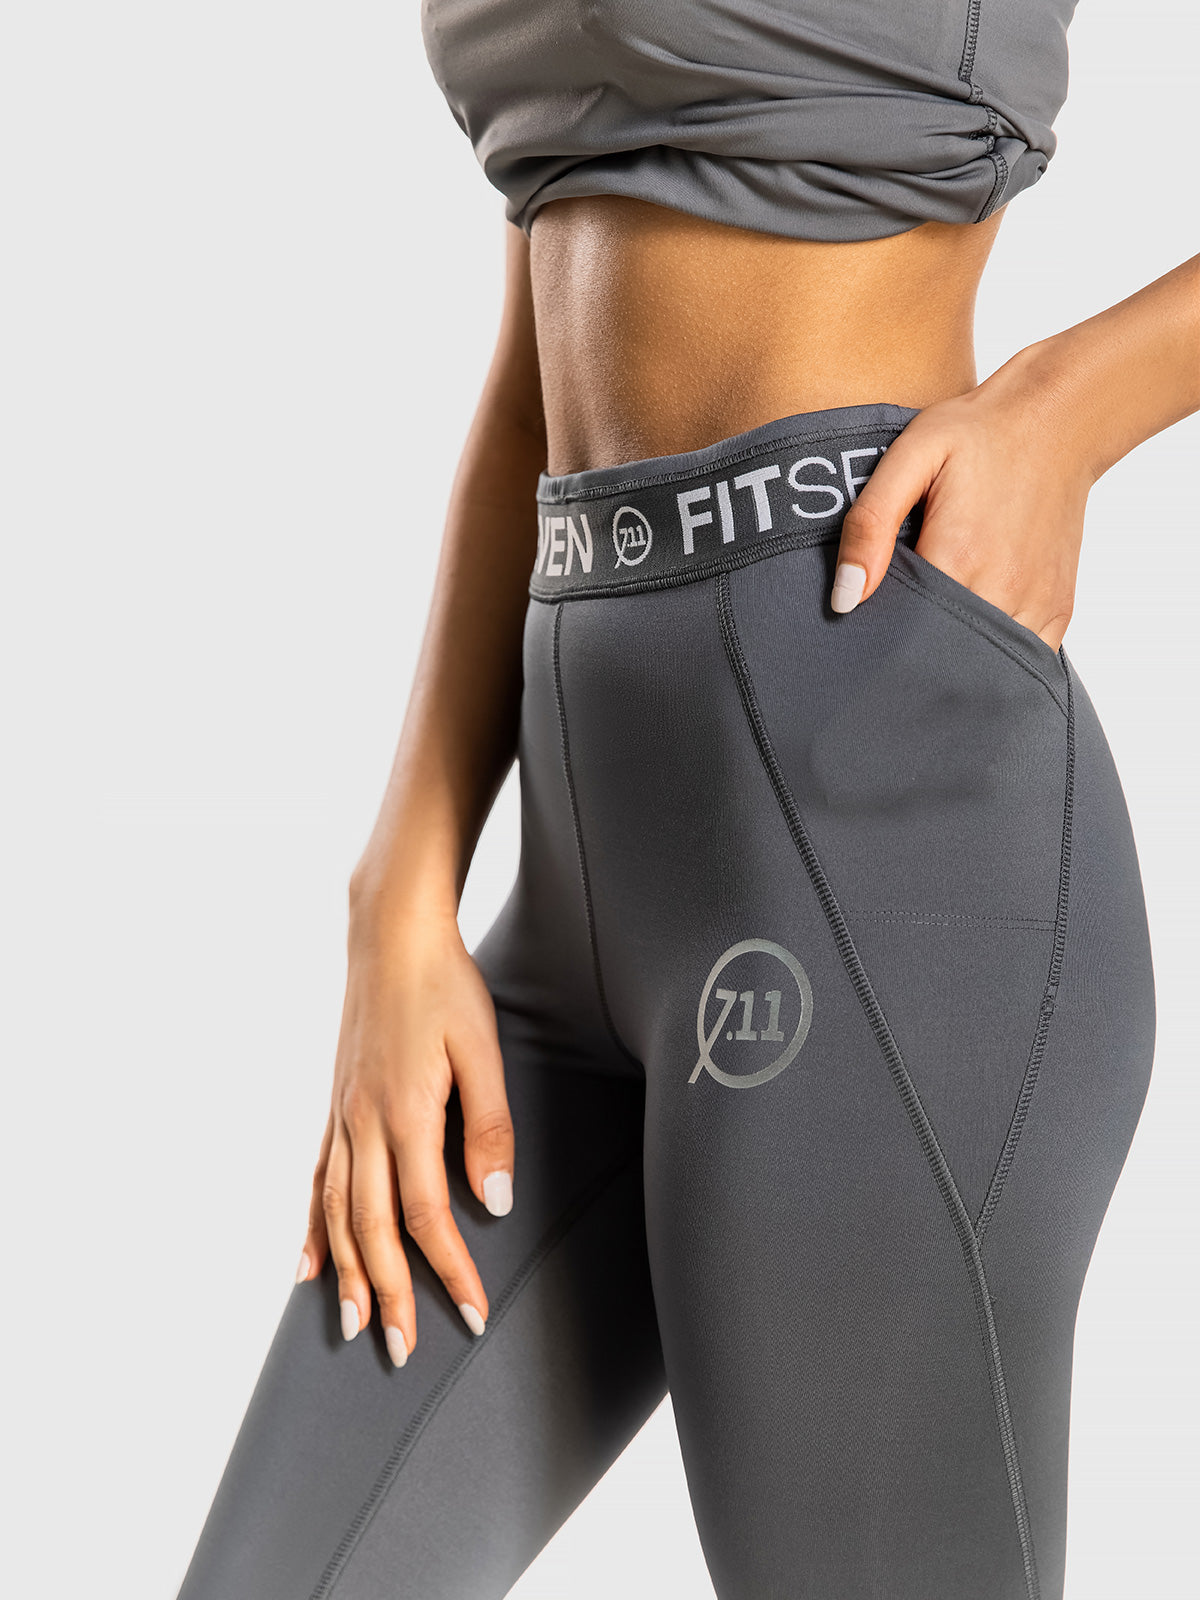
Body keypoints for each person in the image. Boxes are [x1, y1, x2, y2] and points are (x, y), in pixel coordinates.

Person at [175, 3, 1199, 1597]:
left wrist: (1071, 405)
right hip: (566, 894)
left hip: (873, 824)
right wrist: (403, 883)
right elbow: (540, 371)